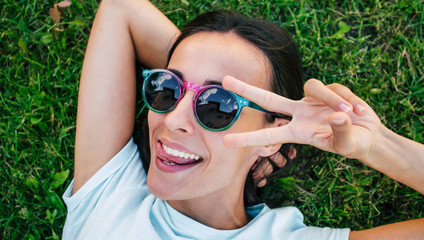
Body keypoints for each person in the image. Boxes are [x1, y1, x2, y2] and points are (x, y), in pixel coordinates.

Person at [62, 0, 424, 239]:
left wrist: (377, 145)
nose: (172, 120)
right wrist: (211, 77)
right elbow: (120, 7)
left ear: (271, 138)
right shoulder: (110, 189)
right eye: (167, 88)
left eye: (215, 105)